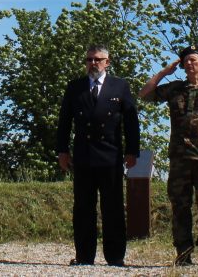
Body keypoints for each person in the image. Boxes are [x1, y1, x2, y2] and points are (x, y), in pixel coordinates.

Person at [139, 45, 198, 266]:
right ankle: (183, 253)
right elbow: (144, 95)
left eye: (193, 60)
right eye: (186, 61)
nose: (189, 64)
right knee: (180, 207)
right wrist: (163, 73)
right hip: (180, 160)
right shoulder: (175, 89)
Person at [56, 44, 140, 267]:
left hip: (111, 156)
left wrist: (133, 151)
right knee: (83, 207)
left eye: (98, 59)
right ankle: (84, 256)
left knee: (112, 207)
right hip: (83, 156)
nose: (93, 63)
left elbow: (131, 121)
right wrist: (62, 151)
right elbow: (64, 121)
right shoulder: (75, 87)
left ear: (107, 62)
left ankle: (115, 256)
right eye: (89, 59)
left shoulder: (120, 86)